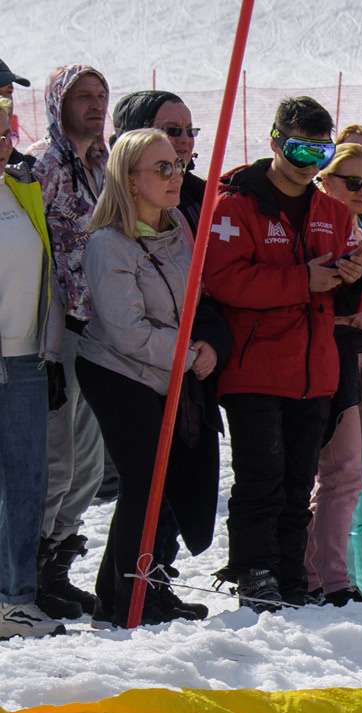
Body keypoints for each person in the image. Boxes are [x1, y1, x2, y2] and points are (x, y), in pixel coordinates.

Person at [203, 96, 362, 610]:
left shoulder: (333, 210)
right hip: (255, 367)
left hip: (314, 368)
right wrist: (304, 280)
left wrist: (349, 280)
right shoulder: (235, 204)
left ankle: (293, 578)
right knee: (261, 478)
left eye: (321, 152)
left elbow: (347, 295)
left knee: (300, 483)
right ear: (275, 141)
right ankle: (255, 573)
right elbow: (223, 279)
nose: (308, 163)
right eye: (298, 148)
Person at [75, 128, 225, 624]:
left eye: (178, 165)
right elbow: (129, 334)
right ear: (130, 181)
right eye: (162, 168)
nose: (175, 175)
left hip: (169, 370)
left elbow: (196, 298)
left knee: (169, 482)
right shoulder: (107, 244)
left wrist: (208, 345)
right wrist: (188, 357)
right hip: (120, 372)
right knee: (145, 481)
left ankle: (138, 588)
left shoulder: (180, 223)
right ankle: (130, 599)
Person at [25, 64, 109, 622]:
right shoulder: (44, 164)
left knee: (91, 464)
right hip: (55, 330)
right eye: (83, 96)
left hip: (100, 325)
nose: (96, 105)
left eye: (102, 96)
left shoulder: (103, 163)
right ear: (59, 102)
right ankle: (27, 572)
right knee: (57, 460)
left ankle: (59, 562)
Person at [0, 80, 66, 638]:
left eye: (5, 134)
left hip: (24, 359)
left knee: (25, 483)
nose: (4, 145)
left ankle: (15, 600)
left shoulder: (20, 188)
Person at [304, 141, 362, 604]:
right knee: (321, 472)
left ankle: (331, 577)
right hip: (313, 355)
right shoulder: (314, 223)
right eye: (351, 182)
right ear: (323, 179)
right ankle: (314, 576)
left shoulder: (359, 230)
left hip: (355, 357)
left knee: (349, 473)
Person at [110, 91, 204, 226]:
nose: (185, 139)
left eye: (190, 131)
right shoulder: (105, 207)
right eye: (172, 130)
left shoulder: (198, 195)